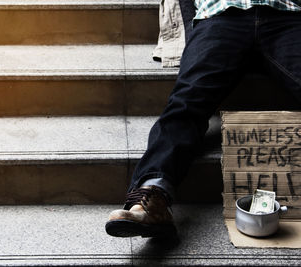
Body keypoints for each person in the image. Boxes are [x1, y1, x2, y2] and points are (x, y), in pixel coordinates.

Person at [105, 0, 301, 238]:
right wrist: (195, 32)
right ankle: (151, 196)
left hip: (287, 16)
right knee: (185, 102)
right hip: (220, 17)